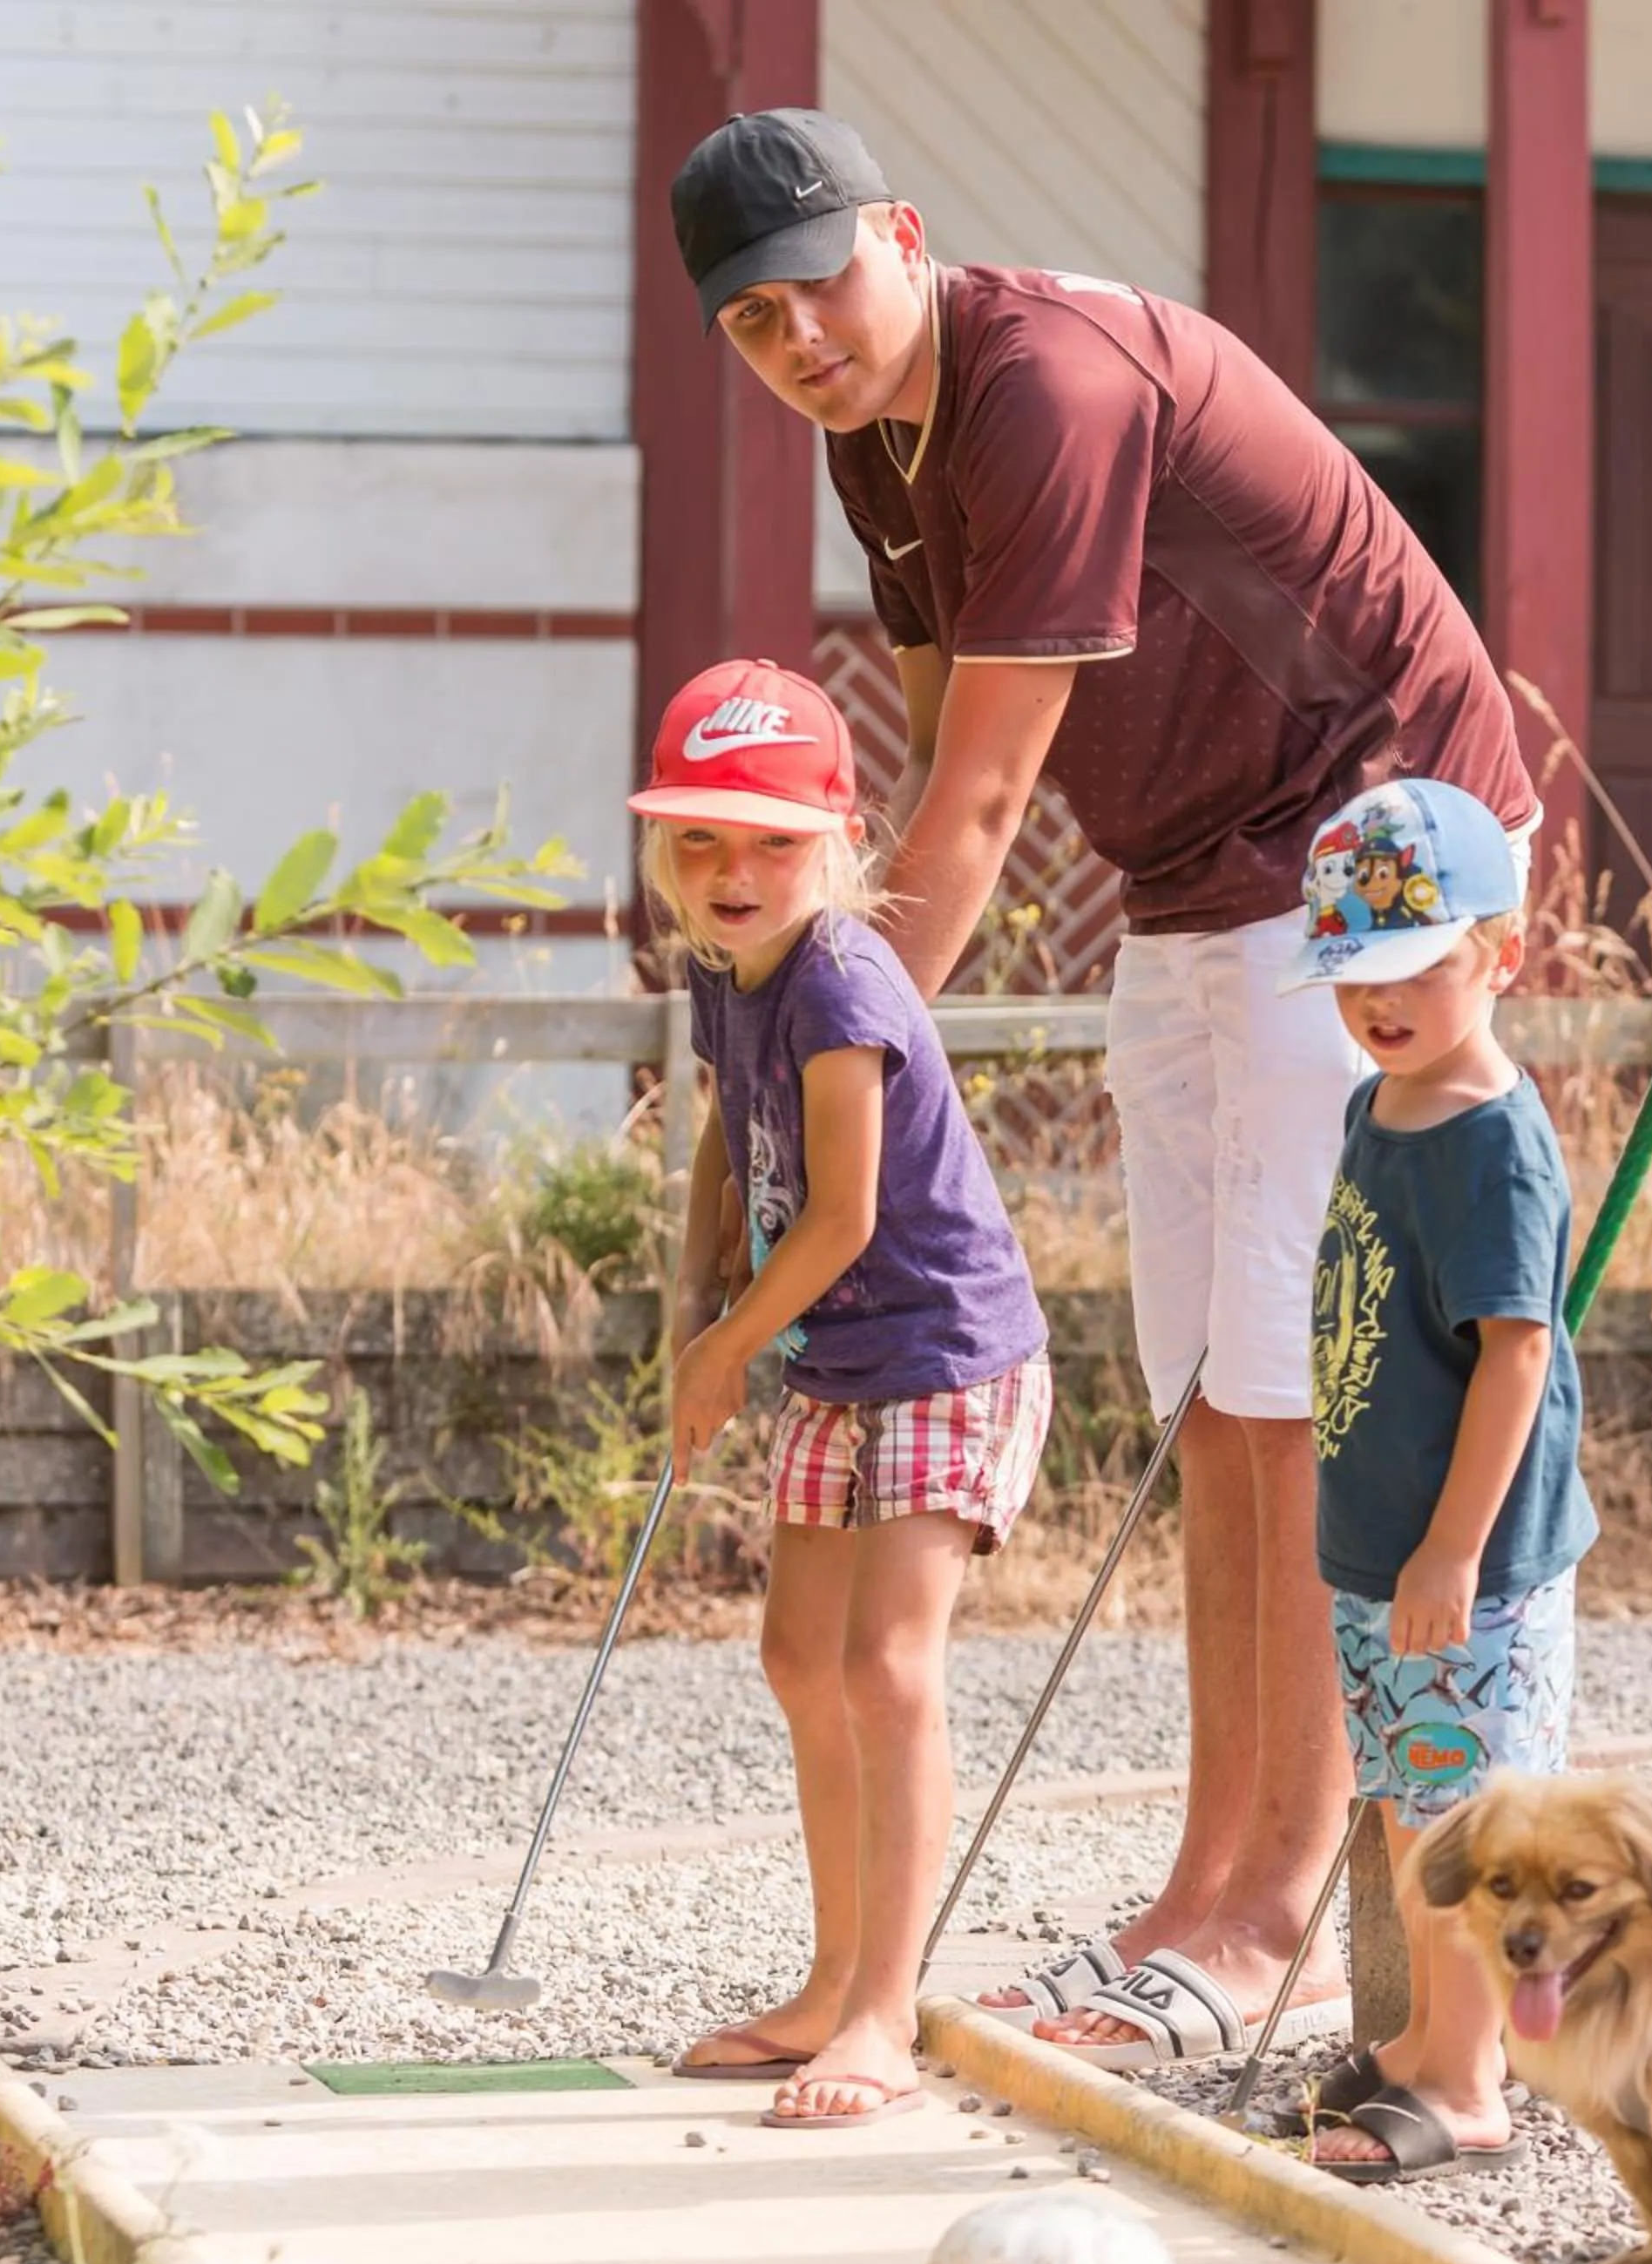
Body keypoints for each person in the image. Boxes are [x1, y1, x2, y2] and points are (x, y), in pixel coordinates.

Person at [667, 105, 1539, 2059]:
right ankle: (1201, 1885)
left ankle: (1281, 1917)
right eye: (753, 326)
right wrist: (820, 1012)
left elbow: (978, 806)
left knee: (1303, 1385)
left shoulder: (1040, 384)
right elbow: (915, 772)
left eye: (819, 287)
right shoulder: (868, 439)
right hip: (1196, 867)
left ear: (901, 232)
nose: (799, 338)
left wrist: (840, 1061)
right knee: (1207, 1387)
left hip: (1374, 857)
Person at [644, 658, 1051, 2127]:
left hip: (943, 1348)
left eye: (767, 840)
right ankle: (828, 1981)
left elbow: (843, 1219)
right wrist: (695, 1305)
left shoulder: (839, 979)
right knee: (799, 1663)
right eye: (700, 838)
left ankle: (886, 2009)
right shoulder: (721, 971)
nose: (733, 870)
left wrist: (729, 1346)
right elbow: (723, 1146)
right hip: (833, 1355)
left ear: (836, 841)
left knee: (887, 1669)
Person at [1278, 776, 1596, 2175]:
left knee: (1466, 1811)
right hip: (1384, 1544)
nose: (1382, 1001)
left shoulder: (1488, 1148)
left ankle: (1469, 2081)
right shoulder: (1380, 1106)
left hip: (1463, 1567)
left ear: (1503, 953)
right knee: (1410, 1795)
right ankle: (1420, 2041)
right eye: (1354, 974)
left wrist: (1453, 1551)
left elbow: (1515, 1358)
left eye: (1417, 965)